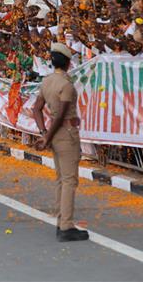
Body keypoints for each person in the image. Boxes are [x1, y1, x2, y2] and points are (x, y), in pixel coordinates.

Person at [32, 43, 89, 242]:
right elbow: (61, 115)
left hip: (55, 133)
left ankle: (61, 220)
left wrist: (44, 132)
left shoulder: (47, 81)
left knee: (61, 178)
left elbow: (36, 109)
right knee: (69, 180)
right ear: (67, 63)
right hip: (66, 133)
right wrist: (46, 136)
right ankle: (66, 225)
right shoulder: (65, 84)